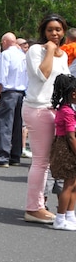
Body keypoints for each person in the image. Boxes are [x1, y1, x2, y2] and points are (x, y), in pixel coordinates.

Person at [22, 13, 70, 224]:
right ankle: (33, 208)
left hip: (56, 111)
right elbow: (42, 75)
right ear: (43, 31)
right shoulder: (36, 50)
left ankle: (41, 202)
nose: (54, 33)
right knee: (41, 161)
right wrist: (49, 50)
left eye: (58, 29)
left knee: (49, 161)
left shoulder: (65, 55)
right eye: (50, 29)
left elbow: (67, 83)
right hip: (38, 109)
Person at [0, 32, 28, 167]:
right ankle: (15, 156)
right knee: (17, 125)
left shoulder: (5, 55)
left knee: (4, 125)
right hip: (21, 92)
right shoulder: (22, 55)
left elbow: (2, 75)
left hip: (8, 92)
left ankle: (2, 157)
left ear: (5, 42)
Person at [48, 74, 76, 231]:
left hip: (67, 147)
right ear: (73, 93)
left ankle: (70, 215)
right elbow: (71, 137)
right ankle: (60, 218)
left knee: (73, 183)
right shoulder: (68, 112)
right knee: (68, 184)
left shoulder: (65, 109)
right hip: (67, 149)